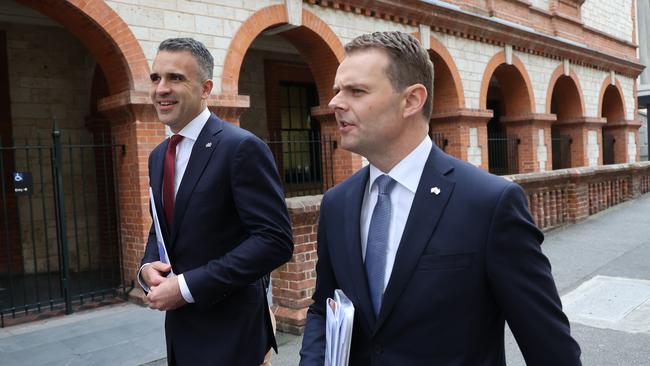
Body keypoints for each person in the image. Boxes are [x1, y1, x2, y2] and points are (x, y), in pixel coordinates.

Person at [299, 31, 581, 365]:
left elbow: (549, 346)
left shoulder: (489, 203)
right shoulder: (337, 203)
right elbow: (324, 306)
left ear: (411, 100)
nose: (334, 103)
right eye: (337, 91)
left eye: (356, 91)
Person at [139, 38, 293, 366]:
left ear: (206, 88)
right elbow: (163, 227)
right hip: (181, 331)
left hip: (232, 333)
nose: (161, 88)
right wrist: (147, 266)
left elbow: (274, 241)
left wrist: (187, 287)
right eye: (155, 78)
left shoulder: (240, 148)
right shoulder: (157, 156)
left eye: (175, 78)